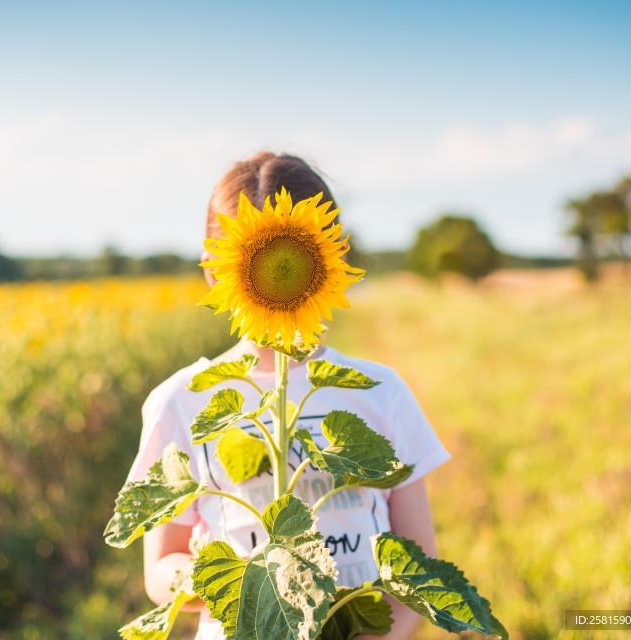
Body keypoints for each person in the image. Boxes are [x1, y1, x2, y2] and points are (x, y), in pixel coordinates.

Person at [126, 151, 451, 640]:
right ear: (215, 271)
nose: (279, 271)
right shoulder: (183, 400)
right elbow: (159, 571)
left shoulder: (381, 393)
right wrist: (231, 578)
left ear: (334, 257)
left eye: (296, 255)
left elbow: (417, 566)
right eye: (256, 259)